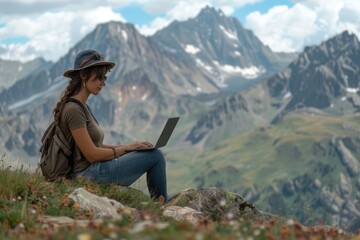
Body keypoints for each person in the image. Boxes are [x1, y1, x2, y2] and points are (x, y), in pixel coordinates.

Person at [54, 49, 168, 201]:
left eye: (104, 77)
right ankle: (163, 205)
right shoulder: (74, 109)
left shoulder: (81, 106)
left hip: (92, 171)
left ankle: (160, 204)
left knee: (152, 154)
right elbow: (92, 154)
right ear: (83, 75)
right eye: (99, 77)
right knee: (155, 156)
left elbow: (95, 145)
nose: (104, 83)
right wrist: (125, 149)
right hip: (87, 175)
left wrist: (131, 147)